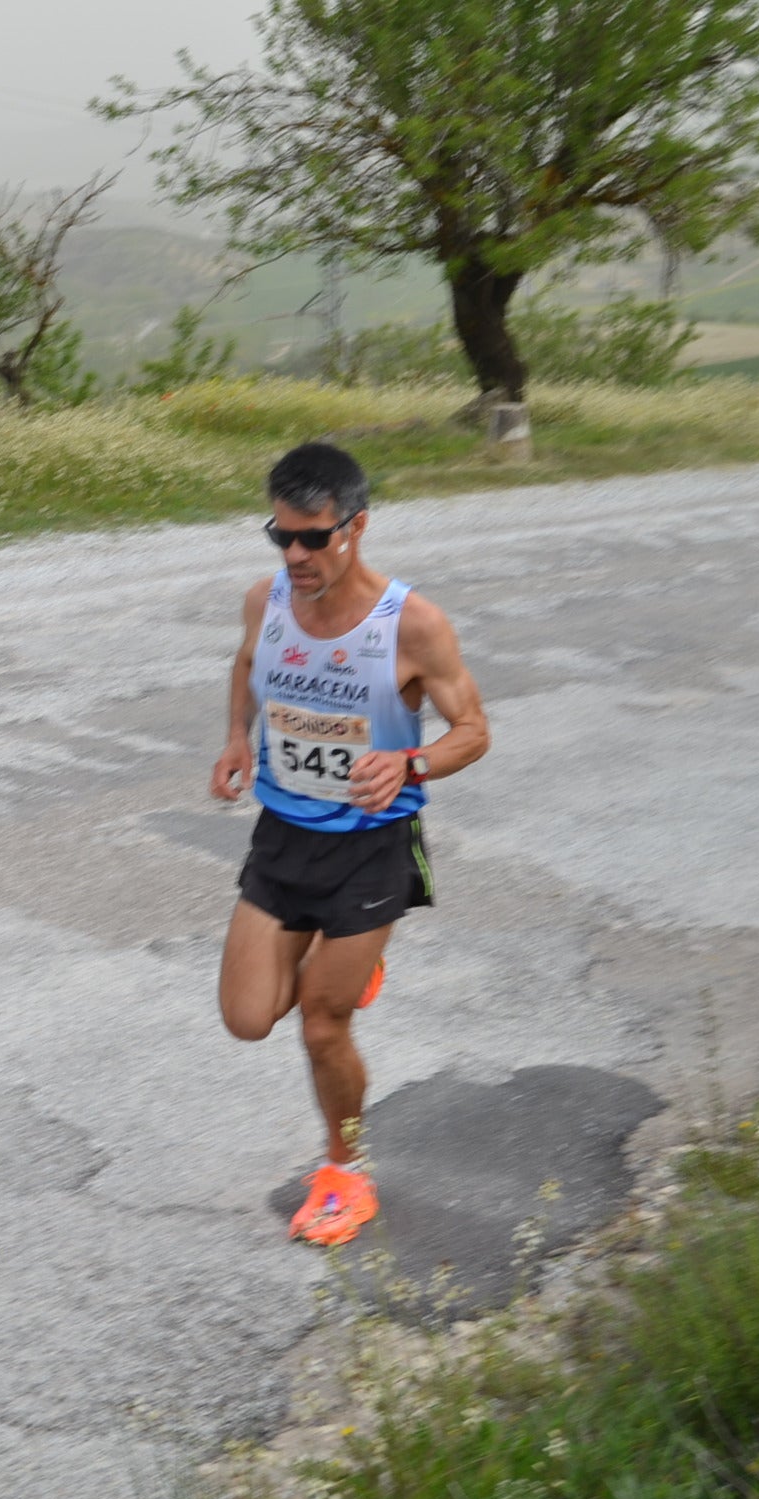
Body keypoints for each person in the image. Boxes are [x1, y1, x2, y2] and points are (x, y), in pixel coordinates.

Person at [210, 442, 490, 1246]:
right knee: (247, 1016)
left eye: (313, 537)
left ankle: (345, 1169)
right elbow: (244, 663)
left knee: (322, 1025)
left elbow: (473, 731)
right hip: (283, 836)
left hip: (372, 846)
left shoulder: (413, 624)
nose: (294, 554)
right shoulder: (264, 602)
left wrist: (412, 760)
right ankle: (352, 966)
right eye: (281, 536)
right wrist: (237, 736)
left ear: (356, 528)